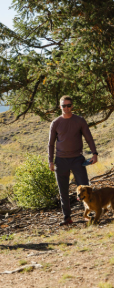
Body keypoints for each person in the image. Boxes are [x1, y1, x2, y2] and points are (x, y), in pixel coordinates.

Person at [48, 95, 98, 226]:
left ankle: (90, 215)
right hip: (60, 161)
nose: (66, 108)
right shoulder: (55, 123)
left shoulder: (79, 121)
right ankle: (67, 218)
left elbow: (89, 138)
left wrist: (94, 153)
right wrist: (50, 161)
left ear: (72, 106)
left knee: (86, 188)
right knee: (63, 190)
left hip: (77, 159)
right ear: (60, 107)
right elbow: (51, 144)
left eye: (68, 105)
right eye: (63, 106)